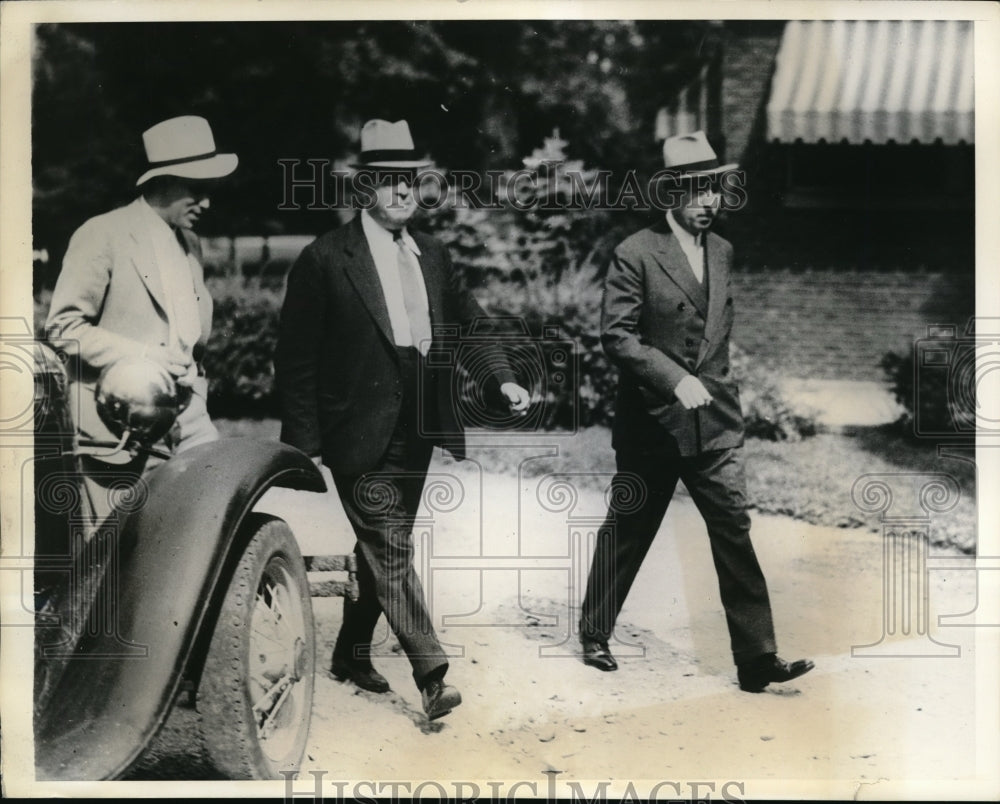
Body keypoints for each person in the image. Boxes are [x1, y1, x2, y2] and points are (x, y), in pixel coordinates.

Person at [274, 119, 530, 720]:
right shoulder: (325, 258)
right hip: (353, 431)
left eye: (411, 183)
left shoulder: (433, 256)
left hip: (419, 428)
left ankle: (351, 654)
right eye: (389, 183)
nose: (402, 194)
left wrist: (502, 377)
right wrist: (305, 442)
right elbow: (296, 358)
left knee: (383, 546)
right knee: (388, 546)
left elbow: (471, 325)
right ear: (365, 188)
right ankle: (431, 673)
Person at [578, 131, 814, 693]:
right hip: (653, 424)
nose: (711, 201)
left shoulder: (724, 251)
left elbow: (718, 336)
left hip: (716, 425)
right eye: (699, 190)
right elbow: (617, 336)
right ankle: (594, 630)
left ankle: (757, 659)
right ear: (671, 193)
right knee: (630, 528)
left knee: (733, 528)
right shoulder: (635, 252)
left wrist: (721, 389)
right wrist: (674, 378)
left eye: (717, 189)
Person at [46, 115, 237, 465]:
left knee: (216, 508)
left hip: (191, 421)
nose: (207, 203)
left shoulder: (192, 244)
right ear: (163, 181)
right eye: (198, 190)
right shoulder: (102, 234)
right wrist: (145, 354)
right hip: (120, 427)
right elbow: (64, 329)